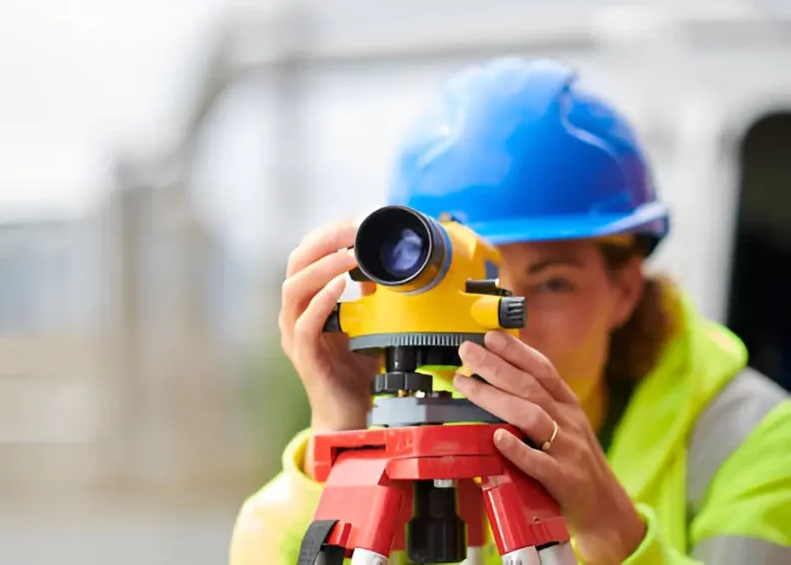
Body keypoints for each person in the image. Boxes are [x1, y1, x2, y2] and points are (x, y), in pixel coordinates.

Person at [228, 58, 791, 564]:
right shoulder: (410, 433)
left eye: (551, 283)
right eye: (472, 282)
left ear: (625, 286)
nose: (503, 320)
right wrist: (342, 441)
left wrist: (612, 530)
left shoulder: (756, 441)